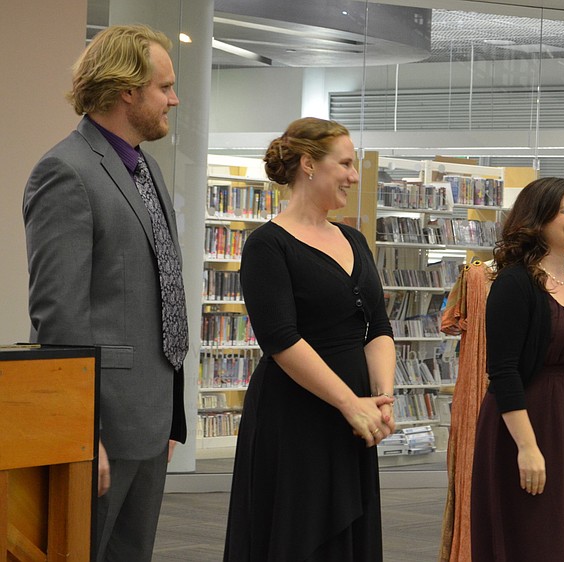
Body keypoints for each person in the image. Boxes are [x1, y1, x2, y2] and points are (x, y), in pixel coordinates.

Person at [23, 25, 187, 562]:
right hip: (100, 427)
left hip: (149, 418)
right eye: (164, 87)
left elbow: (157, 292)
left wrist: (169, 416)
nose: (174, 99)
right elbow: (59, 316)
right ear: (127, 91)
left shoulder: (145, 167)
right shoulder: (65, 172)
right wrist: (81, 435)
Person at [223, 117, 396, 561]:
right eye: (345, 164)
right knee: (299, 536)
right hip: (295, 418)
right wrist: (349, 403)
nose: (354, 176)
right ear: (308, 165)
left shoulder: (354, 240)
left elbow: (377, 326)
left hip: (354, 418)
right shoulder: (267, 245)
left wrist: (382, 398)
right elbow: (280, 340)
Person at [470, 177, 564, 561]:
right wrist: (528, 448)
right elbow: (503, 372)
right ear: (539, 221)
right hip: (527, 427)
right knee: (537, 537)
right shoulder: (514, 284)